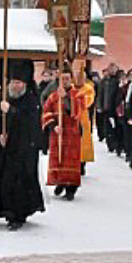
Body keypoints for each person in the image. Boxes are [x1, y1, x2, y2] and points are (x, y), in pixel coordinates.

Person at [0, 62, 46, 229]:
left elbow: (29, 124)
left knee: (19, 184)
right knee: (5, 182)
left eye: (19, 83)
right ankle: (6, 211)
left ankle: (18, 214)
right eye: (13, 82)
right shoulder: (6, 99)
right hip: (7, 151)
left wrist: (12, 111)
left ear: (25, 85)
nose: (15, 86)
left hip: (23, 152)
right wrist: (0, 136)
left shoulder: (31, 100)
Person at [42, 67, 83, 200]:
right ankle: (60, 182)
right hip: (57, 131)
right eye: (62, 79)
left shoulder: (77, 94)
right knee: (58, 159)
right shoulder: (53, 96)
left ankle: (71, 188)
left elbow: (78, 112)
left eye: (67, 79)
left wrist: (66, 99)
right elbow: (46, 112)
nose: (65, 81)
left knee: (71, 160)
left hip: (72, 132)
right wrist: (53, 125)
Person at [74, 62, 95, 175]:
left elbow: (87, 102)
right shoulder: (71, 88)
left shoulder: (88, 89)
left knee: (83, 143)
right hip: (72, 118)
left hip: (83, 118)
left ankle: (82, 164)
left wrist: (77, 98)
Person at [99, 63, 120, 150]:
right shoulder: (104, 81)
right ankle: (110, 143)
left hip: (116, 108)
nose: (112, 71)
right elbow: (101, 94)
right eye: (110, 69)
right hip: (106, 108)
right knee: (108, 127)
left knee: (116, 127)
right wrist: (100, 105)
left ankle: (116, 143)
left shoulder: (118, 80)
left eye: (113, 69)